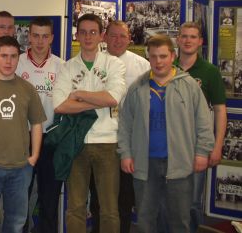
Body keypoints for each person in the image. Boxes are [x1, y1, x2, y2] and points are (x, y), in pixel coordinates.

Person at [118, 34, 215, 233]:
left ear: (172, 56)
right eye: (153, 57)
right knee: (146, 219)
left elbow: (204, 122)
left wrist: (202, 152)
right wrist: (126, 153)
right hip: (145, 164)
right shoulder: (137, 87)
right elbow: (125, 123)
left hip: (180, 163)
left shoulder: (189, 86)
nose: (158, 61)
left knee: (179, 220)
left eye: (163, 56)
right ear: (148, 58)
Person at [52, 13, 126, 233]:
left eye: (93, 32)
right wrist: (97, 101)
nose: (87, 36)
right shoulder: (67, 67)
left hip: (108, 143)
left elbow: (113, 98)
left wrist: (79, 94)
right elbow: (60, 106)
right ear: (76, 35)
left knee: (109, 208)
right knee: (75, 206)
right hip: (77, 142)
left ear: (101, 35)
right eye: (82, 32)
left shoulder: (113, 64)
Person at [0, 36, 46, 233]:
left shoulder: (27, 89)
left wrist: (34, 156)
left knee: (16, 222)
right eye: (3, 56)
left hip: (21, 168)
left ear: (18, 58)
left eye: (13, 56)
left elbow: (37, 123)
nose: (8, 61)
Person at [89, 20, 150, 233]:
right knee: (98, 197)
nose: (118, 40)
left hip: (129, 142)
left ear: (130, 39)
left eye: (122, 36)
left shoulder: (142, 65)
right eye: (113, 35)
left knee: (124, 198)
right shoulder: (94, 62)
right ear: (104, 37)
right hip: (99, 138)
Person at [175, 22, 227, 232]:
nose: (188, 41)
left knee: (193, 202)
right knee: (168, 200)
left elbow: (220, 110)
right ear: (177, 40)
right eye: (184, 36)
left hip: (198, 146)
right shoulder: (167, 67)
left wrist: (217, 146)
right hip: (170, 144)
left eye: (193, 37)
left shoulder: (210, 71)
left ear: (200, 42)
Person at [15, 17, 64, 233]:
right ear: (29, 37)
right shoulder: (17, 63)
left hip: (51, 139)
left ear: (52, 38)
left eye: (45, 36)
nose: (40, 41)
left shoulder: (62, 66)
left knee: (49, 198)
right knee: (19, 198)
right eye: (35, 35)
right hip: (21, 138)